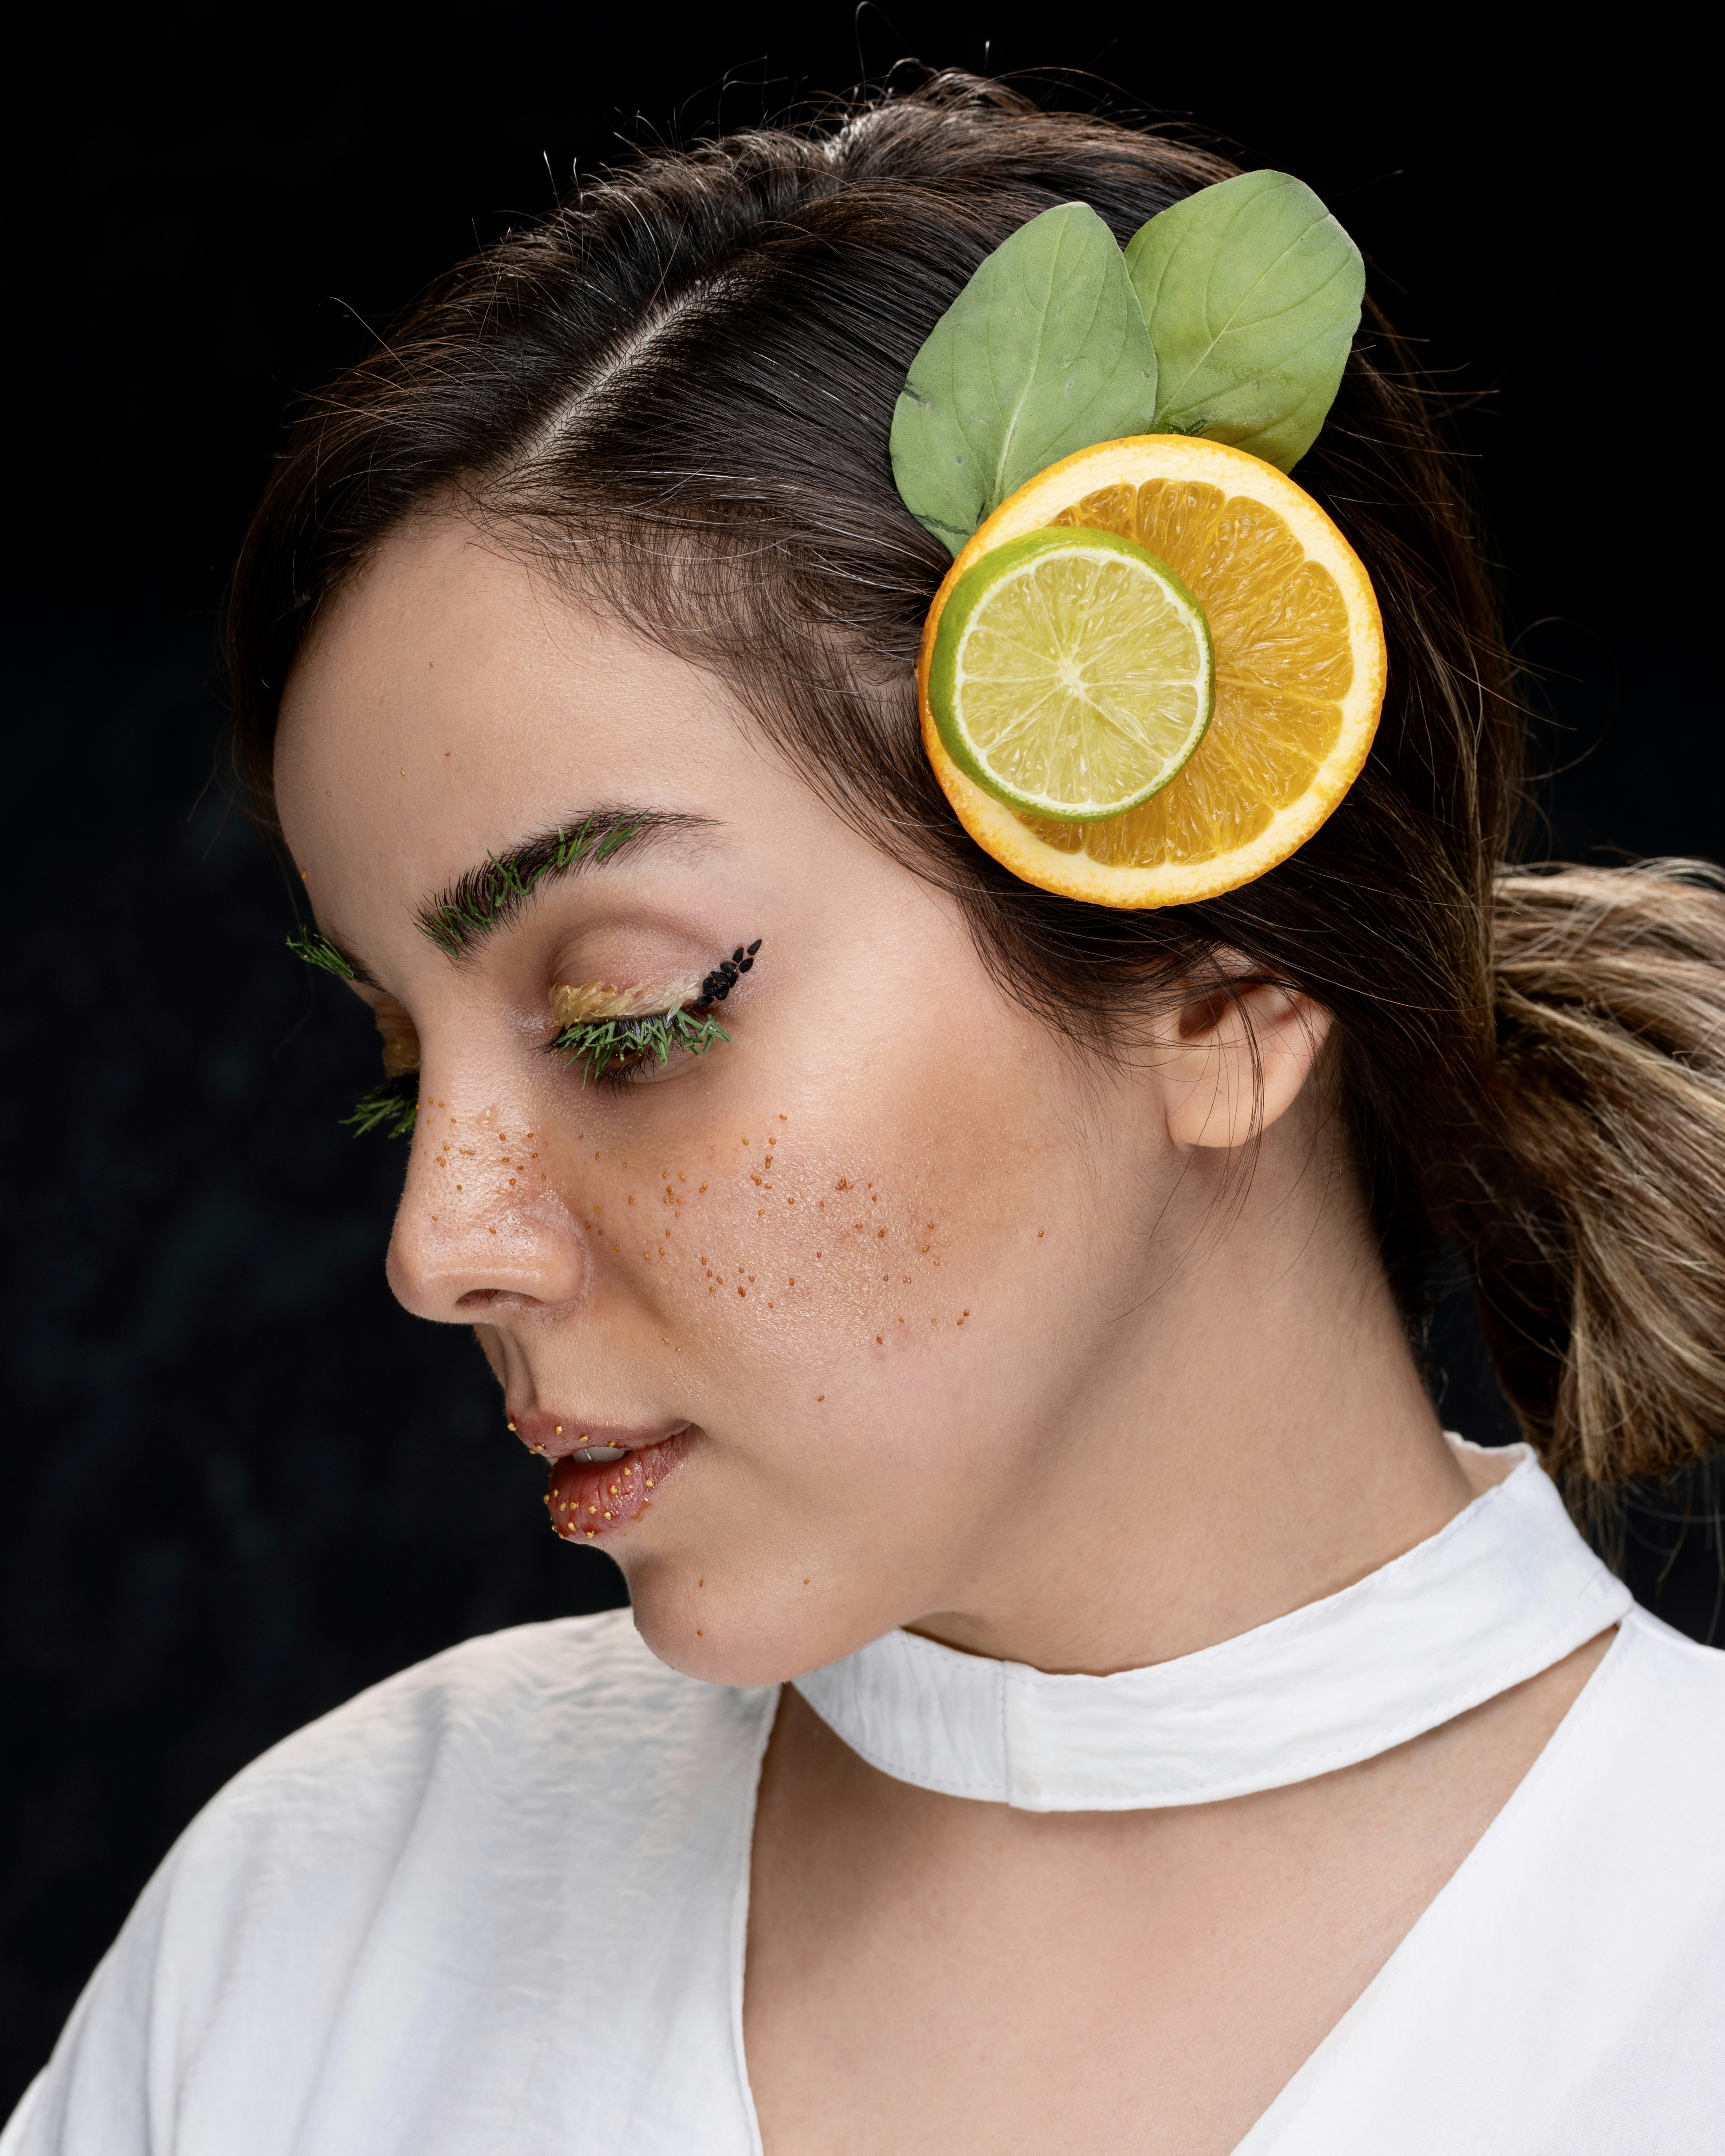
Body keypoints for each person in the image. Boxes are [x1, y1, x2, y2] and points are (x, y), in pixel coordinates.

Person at [8, 73, 1724, 2156]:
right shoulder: (327, 1922)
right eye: (400, 1066)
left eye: (626, 1014)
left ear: (1224, 983)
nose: (440, 1241)